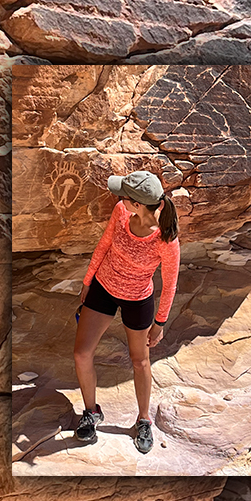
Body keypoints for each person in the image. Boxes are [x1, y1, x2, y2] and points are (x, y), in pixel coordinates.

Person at [73, 171, 180, 454]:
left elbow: (170, 284)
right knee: (81, 353)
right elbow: (104, 244)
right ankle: (91, 411)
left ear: (138, 204)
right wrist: (87, 282)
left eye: (125, 195)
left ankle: (144, 420)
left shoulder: (166, 240)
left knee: (140, 360)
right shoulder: (121, 212)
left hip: (137, 299)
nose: (119, 198)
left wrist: (160, 322)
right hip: (104, 288)